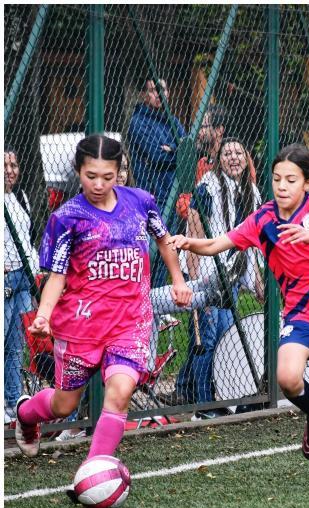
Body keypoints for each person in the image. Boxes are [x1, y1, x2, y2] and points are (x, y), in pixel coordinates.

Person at [168, 143, 309, 488]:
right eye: (277, 178)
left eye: (291, 180)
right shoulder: (263, 219)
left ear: (307, 184)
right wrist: (189, 242)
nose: (282, 186)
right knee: (288, 377)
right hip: (301, 313)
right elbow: (219, 243)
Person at [14, 134, 192, 461]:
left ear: (119, 171)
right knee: (64, 405)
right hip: (81, 325)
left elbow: (165, 240)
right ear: (78, 171)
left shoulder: (141, 202)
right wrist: (44, 314)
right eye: (90, 176)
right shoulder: (66, 218)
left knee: (120, 392)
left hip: (130, 321)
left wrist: (179, 280)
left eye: (107, 177)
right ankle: (26, 415)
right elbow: (57, 275)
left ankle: (94, 468)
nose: (98, 184)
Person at [168, 137, 263, 420]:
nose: (233, 157)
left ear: (246, 160)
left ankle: (187, 389)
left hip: (231, 276)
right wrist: (193, 278)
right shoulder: (208, 187)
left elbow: (250, 242)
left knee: (223, 338)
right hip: (207, 276)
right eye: (227, 153)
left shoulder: (251, 193)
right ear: (219, 159)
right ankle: (204, 405)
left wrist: (256, 278)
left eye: (238, 153)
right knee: (207, 339)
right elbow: (194, 227)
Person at [128, 78, 187, 287]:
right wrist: (174, 150)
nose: (159, 94)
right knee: (152, 255)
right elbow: (157, 156)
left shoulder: (173, 120)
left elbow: (187, 152)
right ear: (145, 95)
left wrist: (171, 149)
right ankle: (150, 302)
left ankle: (161, 303)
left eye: (163, 89)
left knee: (169, 251)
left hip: (173, 195)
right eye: (154, 90)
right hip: (153, 197)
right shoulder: (138, 122)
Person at [4, 147, 39, 424]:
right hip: (4, 277)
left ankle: (12, 400)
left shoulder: (20, 198)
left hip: (23, 278)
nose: (10, 170)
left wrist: (35, 271)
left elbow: (26, 240)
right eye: (4, 165)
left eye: (13, 165)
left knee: (16, 345)